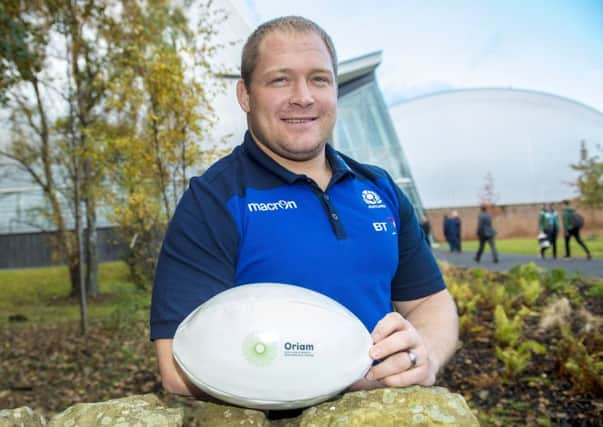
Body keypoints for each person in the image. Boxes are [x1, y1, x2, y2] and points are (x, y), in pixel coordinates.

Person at [150, 16, 458, 401]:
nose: (303, 97)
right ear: (245, 95)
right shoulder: (213, 200)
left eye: (319, 79)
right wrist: (333, 377)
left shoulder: (379, 189)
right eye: (280, 80)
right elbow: (177, 366)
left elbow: (430, 301)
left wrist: (422, 352)